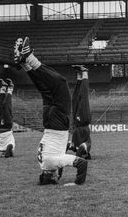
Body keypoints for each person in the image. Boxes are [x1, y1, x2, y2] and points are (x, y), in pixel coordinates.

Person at [14, 36, 88, 186]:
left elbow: (82, 164)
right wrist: (69, 146)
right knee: (45, 89)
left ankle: (29, 58)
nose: (58, 177)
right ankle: (24, 65)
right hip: (47, 123)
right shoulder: (42, 163)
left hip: (57, 123)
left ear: (52, 176)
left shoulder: (53, 163)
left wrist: (76, 183)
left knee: (60, 83)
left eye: (56, 178)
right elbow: (55, 153)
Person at [66, 65, 92, 160]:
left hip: (76, 123)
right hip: (83, 121)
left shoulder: (74, 147)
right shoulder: (87, 146)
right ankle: (85, 73)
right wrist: (79, 155)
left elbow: (68, 145)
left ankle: (79, 76)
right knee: (83, 97)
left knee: (75, 99)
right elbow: (83, 147)